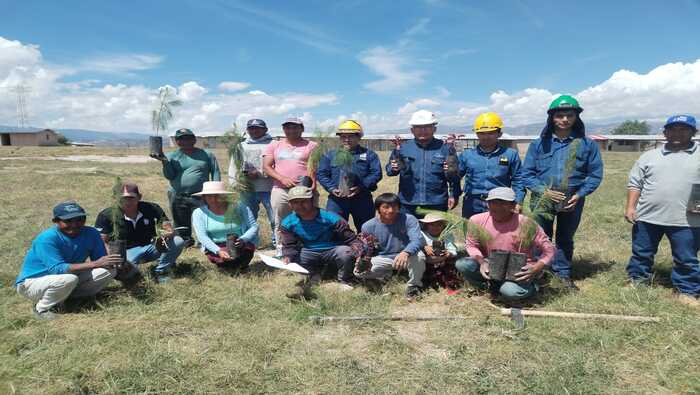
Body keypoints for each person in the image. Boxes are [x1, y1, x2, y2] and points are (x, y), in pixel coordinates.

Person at [521, 95, 603, 290]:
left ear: (576, 117)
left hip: (571, 200)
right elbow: (527, 174)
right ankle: (540, 271)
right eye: (560, 115)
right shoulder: (539, 145)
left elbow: (595, 175)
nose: (564, 119)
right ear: (552, 118)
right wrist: (543, 191)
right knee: (540, 236)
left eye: (569, 115)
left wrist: (580, 194)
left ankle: (562, 274)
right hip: (542, 200)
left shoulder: (587, 144)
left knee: (565, 237)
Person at [625, 115, 700, 306]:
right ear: (665, 132)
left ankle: (687, 290)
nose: (677, 133)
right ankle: (638, 280)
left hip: (687, 220)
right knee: (642, 252)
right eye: (673, 129)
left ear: (694, 132)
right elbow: (635, 183)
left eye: (683, 129)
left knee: (686, 257)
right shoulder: (649, 156)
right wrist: (631, 207)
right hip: (648, 216)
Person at [15, 202, 122, 320]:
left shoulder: (91, 233)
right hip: (32, 283)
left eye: (79, 219)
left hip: (65, 277)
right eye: (68, 221)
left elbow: (101, 260)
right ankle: (42, 308)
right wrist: (96, 263)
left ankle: (72, 299)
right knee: (69, 279)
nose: (74, 224)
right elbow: (57, 269)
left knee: (109, 271)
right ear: (56, 221)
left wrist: (115, 263)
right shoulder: (47, 238)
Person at [455, 187, 555, 301]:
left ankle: (534, 286)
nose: (497, 207)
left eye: (503, 203)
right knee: (462, 264)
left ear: (513, 205)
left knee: (509, 291)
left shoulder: (526, 223)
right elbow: (471, 245)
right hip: (492, 263)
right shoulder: (477, 220)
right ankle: (488, 288)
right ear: (487, 204)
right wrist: (482, 262)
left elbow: (549, 249)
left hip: (519, 269)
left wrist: (536, 267)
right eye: (493, 202)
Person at [278, 186, 362, 299]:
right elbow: (289, 245)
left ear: (312, 201)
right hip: (308, 251)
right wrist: (287, 257)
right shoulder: (287, 223)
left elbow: (350, 238)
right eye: (295, 202)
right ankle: (314, 275)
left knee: (346, 252)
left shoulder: (330, 217)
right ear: (290, 204)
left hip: (333, 249)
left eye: (304, 201)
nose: (300, 205)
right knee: (294, 258)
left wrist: (359, 252)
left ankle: (345, 279)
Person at [95, 183, 185, 284]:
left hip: (152, 246)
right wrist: (114, 257)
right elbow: (102, 241)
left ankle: (161, 271)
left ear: (139, 197)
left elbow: (166, 225)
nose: (127, 202)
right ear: (115, 198)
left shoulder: (151, 208)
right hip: (125, 252)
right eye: (123, 198)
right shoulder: (106, 215)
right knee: (129, 275)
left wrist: (169, 232)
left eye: (131, 198)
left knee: (178, 241)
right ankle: (135, 273)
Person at [385, 110, 460, 218]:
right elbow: (389, 171)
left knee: (435, 235)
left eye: (427, 127)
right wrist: (393, 168)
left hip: (436, 203)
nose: (423, 130)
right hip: (408, 204)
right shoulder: (403, 148)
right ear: (412, 130)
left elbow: (454, 176)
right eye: (418, 127)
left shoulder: (445, 149)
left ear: (434, 129)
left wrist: (454, 195)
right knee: (408, 234)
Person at [153, 128, 221, 241]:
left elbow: (215, 172)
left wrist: (215, 191)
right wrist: (164, 162)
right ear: (177, 141)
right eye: (181, 139)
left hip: (201, 195)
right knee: (180, 220)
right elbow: (170, 176)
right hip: (178, 194)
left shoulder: (206, 155)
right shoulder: (171, 156)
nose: (185, 141)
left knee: (204, 219)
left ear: (194, 140)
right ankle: (185, 241)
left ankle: (206, 241)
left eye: (188, 138)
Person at [263, 117, 318, 256]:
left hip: (303, 190)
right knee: (281, 220)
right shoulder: (274, 145)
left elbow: (313, 168)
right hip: (281, 189)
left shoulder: (312, 146)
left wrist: (313, 184)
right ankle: (282, 249)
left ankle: (307, 248)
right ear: (283, 129)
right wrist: (282, 178)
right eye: (288, 127)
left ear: (302, 129)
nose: (291, 130)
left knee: (308, 217)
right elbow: (266, 167)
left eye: (295, 127)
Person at [316, 120, 383, 231]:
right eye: (343, 136)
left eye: (351, 136)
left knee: (366, 229)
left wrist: (361, 187)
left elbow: (376, 173)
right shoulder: (330, 155)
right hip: (337, 200)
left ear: (359, 137)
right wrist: (332, 188)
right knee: (335, 229)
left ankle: (367, 248)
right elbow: (322, 173)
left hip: (362, 198)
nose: (346, 139)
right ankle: (341, 248)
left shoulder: (369, 154)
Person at [360, 193, 427, 299]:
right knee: (359, 271)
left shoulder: (409, 219)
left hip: (406, 256)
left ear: (399, 208)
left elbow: (417, 240)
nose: (390, 210)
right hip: (384, 257)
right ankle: (385, 276)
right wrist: (363, 258)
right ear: (378, 209)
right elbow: (367, 248)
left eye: (394, 207)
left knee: (419, 257)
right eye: (386, 207)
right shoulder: (368, 226)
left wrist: (406, 252)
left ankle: (413, 287)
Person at [459, 112, 525, 218]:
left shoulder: (510, 154)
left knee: (499, 234)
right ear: (476, 134)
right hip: (472, 203)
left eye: (490, 133)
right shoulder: (467, 155)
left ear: (499, 134)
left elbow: (518, 179)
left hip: (501, 203)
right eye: (482, 133)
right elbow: (455, 176)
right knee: (472, 233)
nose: (486, 137)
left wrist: (518, 201)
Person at [229, 118, 276, 247]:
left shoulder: (273, 144)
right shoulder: (240, 146)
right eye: (251, 128)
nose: (254, 130)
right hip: (247, 189)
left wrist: (260, 173)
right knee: (248, 219)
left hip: (269, 188)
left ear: (265, 129)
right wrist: (235, 183)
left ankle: (277, 243)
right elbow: (233, 166)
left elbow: (278, 165)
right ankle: (249, 244)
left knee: (274, 218)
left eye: (258, 128)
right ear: (247, 130)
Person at [191, 181, 258, 271]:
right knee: (227, 265)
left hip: (239, 243)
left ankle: (240, 265)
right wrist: (218, 251)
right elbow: (202, 236)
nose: (213, 199)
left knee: (240, 260)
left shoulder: (240, 207)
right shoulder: (199, 213)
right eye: (209, 196)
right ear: (204, 198)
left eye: (217, 196)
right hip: (216, 246)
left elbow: (254, 226)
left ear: (224, 196)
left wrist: (243, 239)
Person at [419, 213, 466, 292]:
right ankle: (426, 283)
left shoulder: (447, 235)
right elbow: (415, 247)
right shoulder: (422, 234)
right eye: (432, 225)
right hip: (427, 261)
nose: (435, 227)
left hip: (442, 260)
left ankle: (451, 285)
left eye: (439, 225)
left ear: (443, 226)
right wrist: (424, 247)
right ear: (426, 225)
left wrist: (449, 253)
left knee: (451, 263)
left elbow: (452, 249)